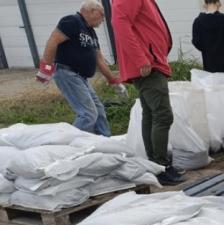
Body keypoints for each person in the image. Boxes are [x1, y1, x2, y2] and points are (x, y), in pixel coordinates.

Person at [112, 0, 184, 185]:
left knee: (151, 114)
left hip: (151, 61)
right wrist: (141, 59)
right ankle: (160, 165)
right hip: (148, 65)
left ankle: (156, 164)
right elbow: (120, 24)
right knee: (162, 115)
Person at [36, 0, 123, 137]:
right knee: (88, 114)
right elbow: (53, 40)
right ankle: (69, 146)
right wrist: (46, 68)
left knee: (99, 110)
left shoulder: (91, 33)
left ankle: (105, 141)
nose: (103, 20)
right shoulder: (72, 21)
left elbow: (99, 59)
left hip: (81, 77)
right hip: (67, 72)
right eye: (102, 15)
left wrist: (114, 81)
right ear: (92, 11)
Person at [192, 0, 224, 83]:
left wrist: (208, 49)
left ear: (205, 4)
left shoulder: (198, 22)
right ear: (218, 3)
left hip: (210, 68)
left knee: (214, 95)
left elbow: (196, 42)